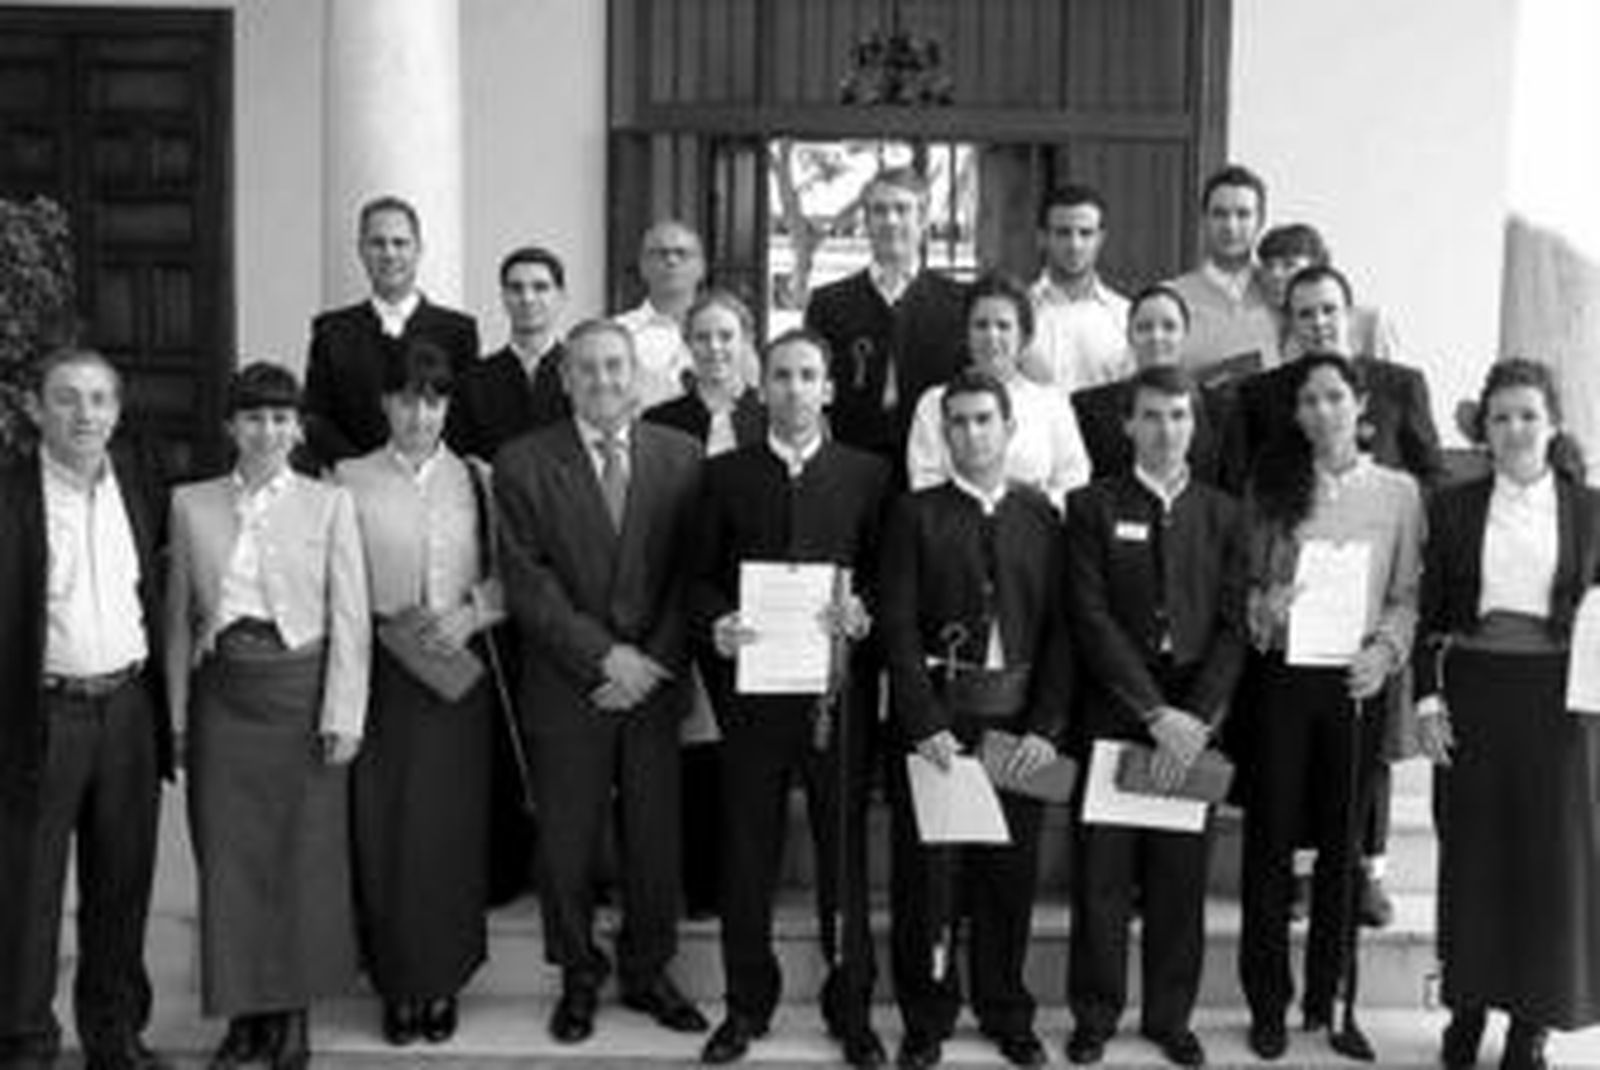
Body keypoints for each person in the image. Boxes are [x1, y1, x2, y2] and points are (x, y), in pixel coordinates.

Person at [493, 320, 707, 1045]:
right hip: (567, 683)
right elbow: (528, 584)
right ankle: (579, 975)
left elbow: (691, 576)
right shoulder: (523, 462)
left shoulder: (683, 456)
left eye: (616, 366)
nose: (604, 381)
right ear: (565, 378)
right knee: (568, 841)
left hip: (654, 680)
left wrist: (649, 661)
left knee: (653, 836)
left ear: (637, 373)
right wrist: (603, 658)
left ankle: (648, 972)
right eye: (587, 369)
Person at [1219, 264, 1443, 926]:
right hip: (1289, 645)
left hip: (1367, 628)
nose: (1318, 322)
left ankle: (1361, 877)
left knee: (1358, 781)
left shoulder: (1400, 389)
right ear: (1288, 323)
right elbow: (1247, 520)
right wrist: (1267, 601)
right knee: (1279, 790)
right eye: (1305, 313)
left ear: (1349, 314)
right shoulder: (1260, 397)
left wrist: (1385, 519)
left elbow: (1428, 472)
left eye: (1329, 311)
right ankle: (1291, 877)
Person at [691, 329, 890, 1068]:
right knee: (747, 855)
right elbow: (699, 580)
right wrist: (715, 621)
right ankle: (747, 1006)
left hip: (836, 698)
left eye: (809, 375)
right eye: (781, 376)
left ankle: (854, 1009)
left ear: (830, 388)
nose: (795, 389)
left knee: (844, 860)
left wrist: (864, 610)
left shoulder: (868, 475)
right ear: (761, 386)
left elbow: (886, 575)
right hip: (753, 702)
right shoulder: (725, 475)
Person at [165, 362, 370, 1070]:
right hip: (224, 697)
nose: (268, 431)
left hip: (302, 694)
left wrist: (345, 712)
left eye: (282, 418)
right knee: (229, 862)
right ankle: (243, 1016)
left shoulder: (329, 503)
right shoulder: (190, 503)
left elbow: (350, 617)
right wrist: (178, 714)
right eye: (254, 417)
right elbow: (177, 620)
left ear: (298, 427)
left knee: (303, 862)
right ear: (231, 426)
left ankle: (292, 1016)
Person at [881, 369, 1073, 1070]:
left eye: (983, 420)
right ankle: (927, 1016)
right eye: (956, 422)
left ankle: (1004, 1008)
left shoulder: (1040, 517)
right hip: (940, 727)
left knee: (1008, 875)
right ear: (944, 432)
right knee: (928, 879)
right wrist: (923, 720)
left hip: (1020, 727)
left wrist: (1047, 728)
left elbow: (1060, 632)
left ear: (1009, 428)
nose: (970, 434)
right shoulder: (914, 513)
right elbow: (897, 627)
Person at [1235, 353, 1423, 1063]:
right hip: (1284, 680)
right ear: (1296, 413)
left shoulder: (1400, 493)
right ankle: (1268, 1004)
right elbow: (1247, 590)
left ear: (1360, 403)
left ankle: (1333, 1000)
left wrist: (1386, 649)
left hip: (1357, 684)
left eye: (1334, 397)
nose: (1321, 411)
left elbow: (1407, 595)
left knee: (1344, 848)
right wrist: (1266, 607)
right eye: (1308, 400)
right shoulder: (1272, 485)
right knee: (1270, 844)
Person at [1415, 359, 1600, 1070]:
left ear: (1552, 425)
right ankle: (1465, 1009)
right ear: (1483, 430)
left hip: (1563, 702)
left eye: (1528, 415)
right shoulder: (1454, 507)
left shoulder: (1589, 511)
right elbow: (1431, 613)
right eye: (1501, 417)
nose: (1515, 428)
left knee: (1548, 865)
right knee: (1472, 857)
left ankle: (1531, 1024)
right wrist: (1428, 701)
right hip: (1475, 693)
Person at [1063, 365, 1247, 1068]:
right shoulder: (1091, 506)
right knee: (1102, 877)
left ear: (1194, 425)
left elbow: (1234, 626)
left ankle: (1171, 1017)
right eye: (1151, 416)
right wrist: (1151, 710)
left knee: (1179, 876)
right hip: (1117, 708)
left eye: (1178, 415)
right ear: (1127, 424)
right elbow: (1090, 616)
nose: (1165, 429)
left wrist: (1193, 718)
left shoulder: (1224, 513)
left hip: (1194, 716)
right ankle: (1096, 1014)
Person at [0, 349, 173, 1070]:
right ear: (35, 409)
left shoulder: (137, 482)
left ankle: (115, 1036)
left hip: (128, 707)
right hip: (44, 715)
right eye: (67, 398)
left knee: (123, 884)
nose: (85, 413)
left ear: (118, 410)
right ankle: (23, 1042)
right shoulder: (10, 496)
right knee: (26, 891)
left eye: (99, 399)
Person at [336, 341, 503, 1047]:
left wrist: (474, 612)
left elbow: (515, 574)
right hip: (380, 672)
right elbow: (333, 586)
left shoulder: (479, 478)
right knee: (386, 831)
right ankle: (398, 981)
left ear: (447, 406)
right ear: (384, 403)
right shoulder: (344, 478)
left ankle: (446, 980)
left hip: (458, 678)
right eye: (405, 398)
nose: (418, 414)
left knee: (451, 833)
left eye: (432, 400)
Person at [641, 290, 767, 922]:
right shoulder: (660, 420)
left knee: (747, 751)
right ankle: (699, 885)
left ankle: (744, 881)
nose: (716, 350)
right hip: (684, 598)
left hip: (758, 607)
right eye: (703, 338)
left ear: (746, 341)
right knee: (694, 747)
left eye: (727, 337)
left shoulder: (771, 415)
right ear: (687, 346)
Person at [804, 167, 967, 472]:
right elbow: (814, 389)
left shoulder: (959, 303)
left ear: (923, 219)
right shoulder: (828, 303)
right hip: (849, 462)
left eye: (902, 210)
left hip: (935, 464)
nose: (890, 221)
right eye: (879, 211)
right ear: (866, 221)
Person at [303, 195, 480, 469]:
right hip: (354, 487)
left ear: (418, 249)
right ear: (361, 250)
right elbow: (316, 418)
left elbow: (465, 415)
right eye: (377, 243)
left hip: (433, 484)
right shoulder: (331, 331)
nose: (389, 253)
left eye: (400, 243)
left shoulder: (458, 331)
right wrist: (361, 469)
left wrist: (426, 466)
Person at [905, 273, 1089, 514]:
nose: (992, 336)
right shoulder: (934, 402)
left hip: (1036, 535)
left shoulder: (1051, 403)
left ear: (1024, 335)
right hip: (951, 538)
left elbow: (1074, 483)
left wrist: (1020, 507)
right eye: (981, 325)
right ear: (966, 333)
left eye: (1003, 326)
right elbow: (924, 483)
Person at [1071, 284, 1223, 483]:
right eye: (1144, 328)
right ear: (1129, 336)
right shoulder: (1089, 408)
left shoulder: (1220, 409)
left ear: (1186, 334)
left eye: (1169, 327)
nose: (1156, 337)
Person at [447, 245, 572, 464]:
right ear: (503, 297)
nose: (527, 298)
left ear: (561, 296)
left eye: (540, 287)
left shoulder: (583, 374)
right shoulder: (472, 381)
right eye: (516, 288)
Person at [1019, 184, 1132, 394]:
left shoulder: (1125, 315)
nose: (1075, 245)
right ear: (1042, 238)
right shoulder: (1016, 313)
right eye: (1063, 233)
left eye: (1086, 233)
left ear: (1100, 239)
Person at [1167, 165, 1279, 375]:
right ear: (1204, 220)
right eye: (1220, 214)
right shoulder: (1171, 298)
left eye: (1243, 214)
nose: (1230, 226)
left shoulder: (1281, 294)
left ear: (1260, 221)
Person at [1256, 224, 1400, 365]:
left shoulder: (1371, 322)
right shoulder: (1275, 329)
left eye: (1289, 265)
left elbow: (1393, 381)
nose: (1274, 275)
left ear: (1317, 266)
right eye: (1268, 266)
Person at [615, 220, 706, 409]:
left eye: (682, 253)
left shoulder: (727, 330)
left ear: (701, 267)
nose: (671, 261)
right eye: (660, 253)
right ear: (643, 266)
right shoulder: (618, 333)